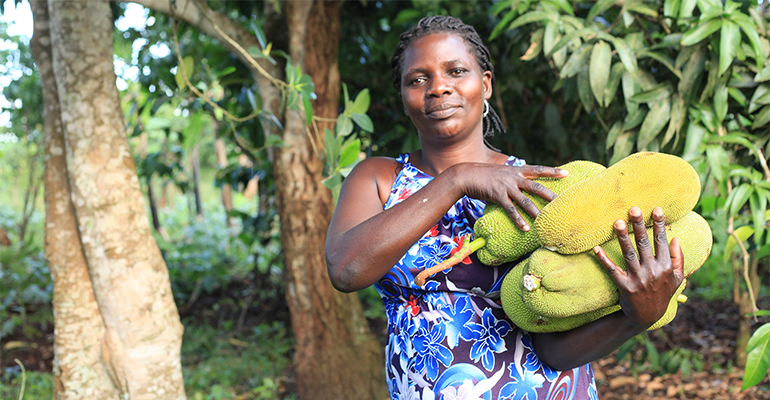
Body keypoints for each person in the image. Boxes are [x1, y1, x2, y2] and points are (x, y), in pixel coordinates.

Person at [325, 15, 684, 399]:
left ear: (486, 83)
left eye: (456, 71)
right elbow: (347, 269)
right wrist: (458, 179)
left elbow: (554, 351)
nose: (438, 88)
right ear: (402, 94)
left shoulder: (535, 189)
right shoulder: (379, 178)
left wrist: (636, 318)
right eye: (418, 79)